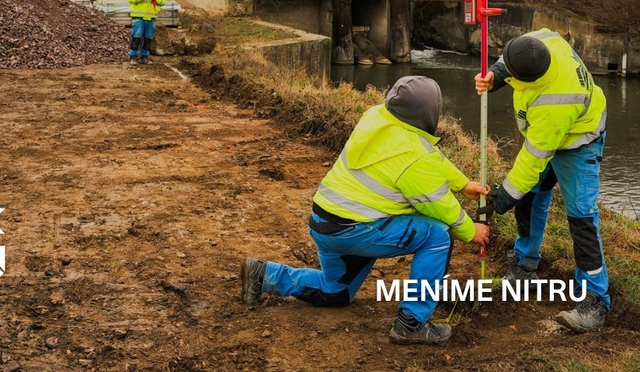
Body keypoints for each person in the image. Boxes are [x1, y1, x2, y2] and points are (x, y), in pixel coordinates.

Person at [240, 76, 490, 345]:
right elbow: (442, 206)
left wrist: (462, 184)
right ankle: (412, 323)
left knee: (336, 292)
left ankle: (264, 274)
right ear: (430, 113)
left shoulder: (377, 118)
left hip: (325, 223)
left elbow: (428, 154)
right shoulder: (415, 158)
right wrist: (470, 231)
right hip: (356, 231)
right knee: (438, 236)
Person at [473, 30, 610, 333]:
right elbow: (514, 56)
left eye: (510, 73)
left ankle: (596, 300)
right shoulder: (543, 41)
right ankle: (525, 265)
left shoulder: (554, 103)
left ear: (527, 80)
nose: (508, 71)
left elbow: (533, 160)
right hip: (548, 133)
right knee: (530, 199)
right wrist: (496, 75)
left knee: (581, 218)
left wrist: (503, 197)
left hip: (580, 141)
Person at [126, 0, 165, 64]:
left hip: (151, 18)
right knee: (136, 37)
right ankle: (133, 57)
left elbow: (163, 1)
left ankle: (144, 57)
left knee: (148, 38)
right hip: (138, 18)